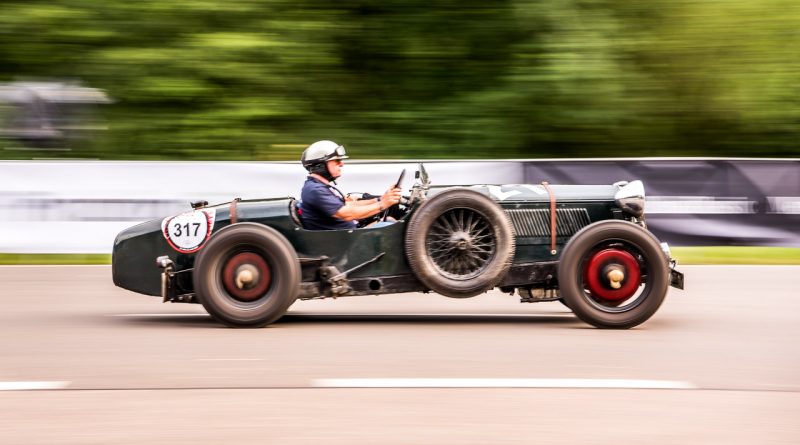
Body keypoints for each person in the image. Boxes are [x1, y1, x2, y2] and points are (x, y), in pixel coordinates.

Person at [299, 140, 402, 230]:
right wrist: (383, 204)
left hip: (350, 234)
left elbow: (349, 205)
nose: (342, 164)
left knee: (390, 220)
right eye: (337, 160)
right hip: (343, 241)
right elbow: (347, 213)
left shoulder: (319, 187)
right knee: (395, 227)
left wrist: (381, 199)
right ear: (320, 165)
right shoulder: (315, 190)